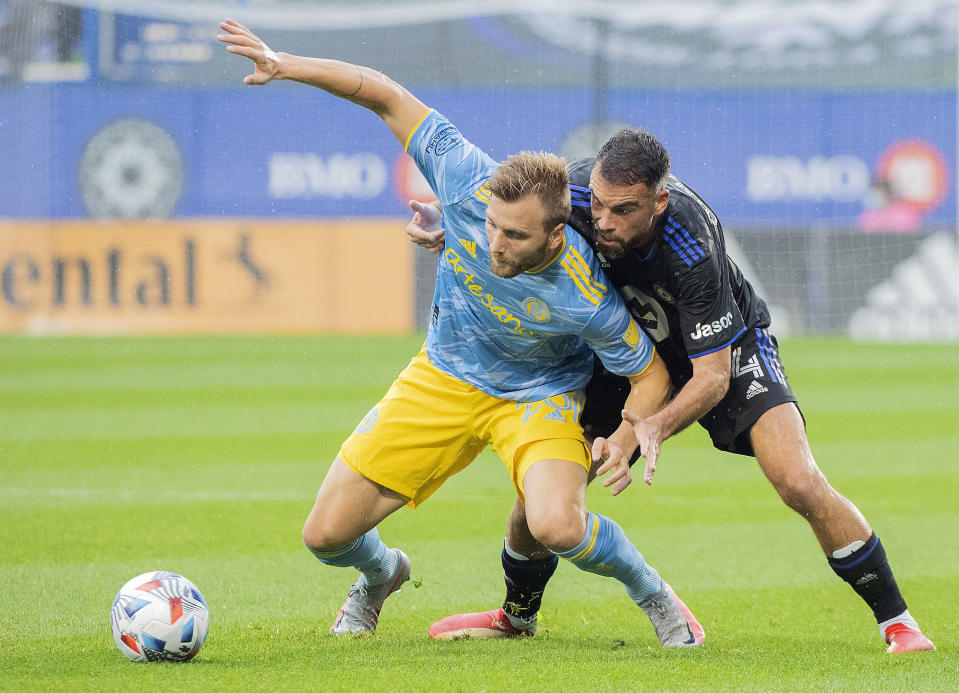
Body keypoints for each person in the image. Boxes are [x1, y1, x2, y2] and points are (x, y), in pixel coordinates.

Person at [217, 19, 704, 647]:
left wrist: (624, 433)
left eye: (515, 236)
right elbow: (383, 92)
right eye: (491, 227)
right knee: (325, 537)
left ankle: (656, 598)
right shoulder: (463, 176)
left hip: (539, 398)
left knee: (556, 524)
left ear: (556, 236)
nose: (492, 243)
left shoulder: (586, 295)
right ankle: (381, 573)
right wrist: (285, 63)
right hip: (442, 376)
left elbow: (651, 372)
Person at [413, 131, 935, 654]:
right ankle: (517, 615)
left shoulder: (692, 241)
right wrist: (446, 229)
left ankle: (899, 624)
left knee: (797, 479)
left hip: (724, 351)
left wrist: (649, 426)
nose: (603, 220)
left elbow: (712, 376)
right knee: (540, 497)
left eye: (624, 209)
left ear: (659, 202)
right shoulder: (573, 193)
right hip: (630, 356)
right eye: (597, 203)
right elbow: (495, 208)